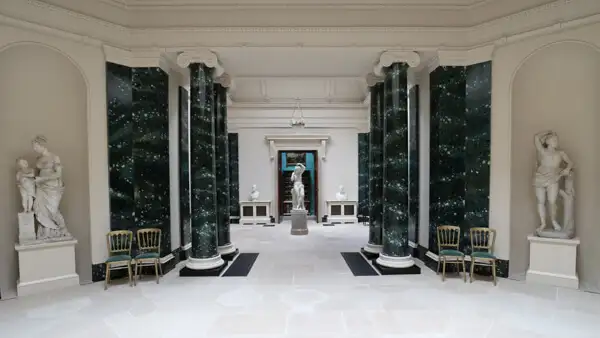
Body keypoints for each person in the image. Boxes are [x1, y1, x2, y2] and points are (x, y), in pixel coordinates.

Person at [533, 131, 573, 231]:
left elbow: (570, 163)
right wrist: (548, 132)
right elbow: (536, 137)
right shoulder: (542, 150)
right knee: (541, 201)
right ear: (548, 141)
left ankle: (554, 221)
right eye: (554, 140)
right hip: (540, 177)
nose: (556, 142)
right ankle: (543, 223)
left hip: (554, 177)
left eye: (557, 140)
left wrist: (567, 169)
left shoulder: (561, 153)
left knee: (552, 201)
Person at [32, 135, 70, 239]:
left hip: (52, 187)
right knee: (39, 208)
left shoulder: (54, 157)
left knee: (53, 210)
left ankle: (63, 230)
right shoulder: (38, 159)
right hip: (41, 187)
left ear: (41, 145)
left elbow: (58, 174)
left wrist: (42, 179)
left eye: (35, 146)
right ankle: (46, 232)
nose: (34, 149)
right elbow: (35, 173)